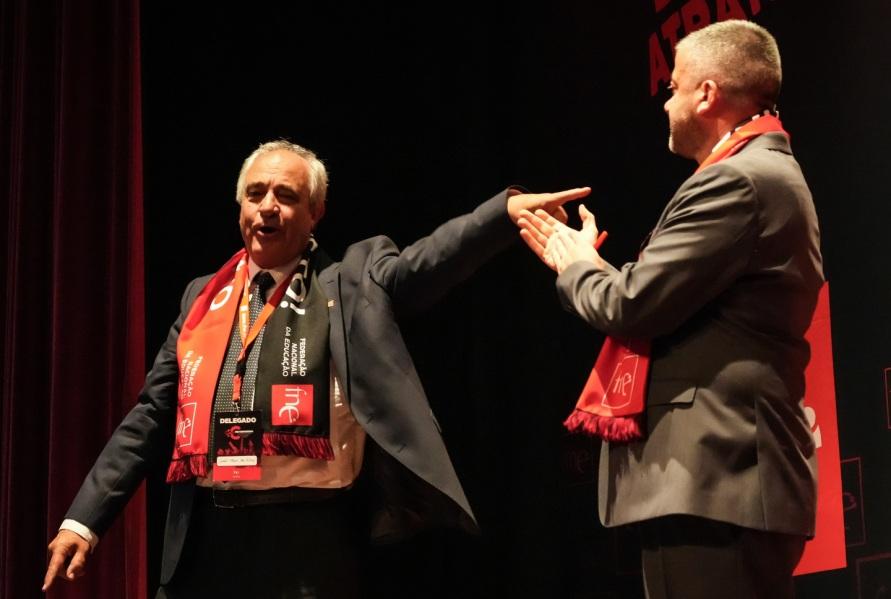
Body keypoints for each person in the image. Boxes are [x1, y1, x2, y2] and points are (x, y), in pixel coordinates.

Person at [43, 138, 591, 597]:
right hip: (207, 540)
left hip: (310, 541)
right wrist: (84, 520)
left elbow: (425, 263)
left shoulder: (350, 281)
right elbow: (150, 415)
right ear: (239, 208)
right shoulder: (201, 298)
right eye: (255, 194)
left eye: (286, 195)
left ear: (315, 213)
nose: (267, 207)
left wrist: (502, 214)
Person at [517, 20, 823, 599]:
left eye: (673, 88)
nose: (665, 103)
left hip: (717, 478)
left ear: (707, 94)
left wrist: (575, 265)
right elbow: (657, 297)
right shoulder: (759, 172)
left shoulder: (739, 180)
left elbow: (631, 305)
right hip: (718, 484)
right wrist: (590, 266)